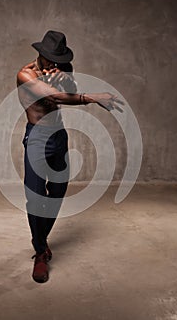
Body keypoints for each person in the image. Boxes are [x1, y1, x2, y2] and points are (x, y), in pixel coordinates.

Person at [17, 30, 123, 283]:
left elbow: (69, 89)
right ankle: (41, 252)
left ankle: (39, 240)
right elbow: (52, 96)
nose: (54, 63)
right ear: (41, 54)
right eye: (51, 58)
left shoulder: (61, 68)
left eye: (58, 58)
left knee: (58, 190)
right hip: (38, 138)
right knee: (35, 195)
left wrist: (67, 78)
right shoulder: (25, 74)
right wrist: (93, 98)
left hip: (58, 135)